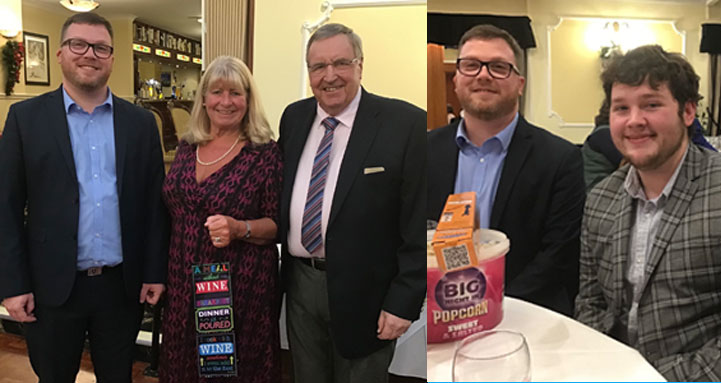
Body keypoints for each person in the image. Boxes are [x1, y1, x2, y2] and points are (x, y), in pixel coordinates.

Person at [575, 44, 721, 381]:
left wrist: (661, 378)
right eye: (621, 108)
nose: (634, 121)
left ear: (688, 112)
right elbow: (590, 300)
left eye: (651, 105)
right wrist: (605, 365)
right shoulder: (601, 198)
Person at [0, 12, 168, 382]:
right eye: (79, 44)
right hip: (51, 288)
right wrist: (12, 284)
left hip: (120, 289)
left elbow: (154, 208)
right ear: (60, 53)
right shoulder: (25, 119)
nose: (89, 54)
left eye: (101, 47)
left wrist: (155, 271)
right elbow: (6, 207)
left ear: (111, 58)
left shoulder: (141, 125)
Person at [276, 23, 425, 382]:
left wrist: (403, 301)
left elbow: (417, 221)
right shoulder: (294, 118)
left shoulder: (405, 124)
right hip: (300, 284)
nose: (330, 76)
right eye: (318, 67)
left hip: (368, 293)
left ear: (360, 65)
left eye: (341, 63)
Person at [426, 24, 584, 315]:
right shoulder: (422, 152)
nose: (483, 75)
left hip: (524, 316)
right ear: (457, 79)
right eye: (471, 65)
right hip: (435, 315)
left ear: (520, 84)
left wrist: (488, 306)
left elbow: (559, 255)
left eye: (499, 67)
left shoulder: (561, 159)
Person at [157, 55, 282, 381]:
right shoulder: (187, 147)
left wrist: (240, 228)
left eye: (236, 93)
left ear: (248, 100)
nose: (225, 101)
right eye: (216, 92)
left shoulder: (264, 153)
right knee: (180, 365)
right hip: (181, 279)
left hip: (233, 285)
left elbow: (277, 225)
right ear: (203, 99)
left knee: (221, 371)